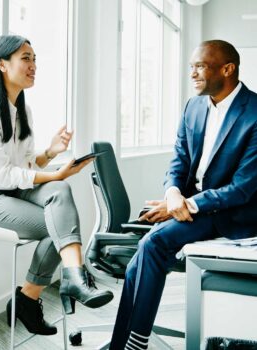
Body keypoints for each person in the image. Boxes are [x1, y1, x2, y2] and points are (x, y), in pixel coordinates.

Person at [0, 35, 114, 336]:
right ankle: (55, 286)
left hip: (6, 192)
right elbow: (1, 175)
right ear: (2, 64)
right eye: (26, 58)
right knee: (61, 222)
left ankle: (61, 282)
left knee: (60, 195)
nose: (33, 65)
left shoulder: (22, 110)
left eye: (35, 59)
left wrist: (50, 154)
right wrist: (55, 174)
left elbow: (22, 167)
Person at [110, 39, 257, 349]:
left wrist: (184, 204)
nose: (192, 74)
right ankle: (126, 342)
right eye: (191, 67)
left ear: (228, 69)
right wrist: (174, 193)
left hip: (232, 214)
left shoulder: (255, 112)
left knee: (154, 243)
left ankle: (132, 342)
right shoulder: (193, 106)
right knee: (144, 252)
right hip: (190, 204)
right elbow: (179, 157)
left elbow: (243, 188)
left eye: (200, 66)